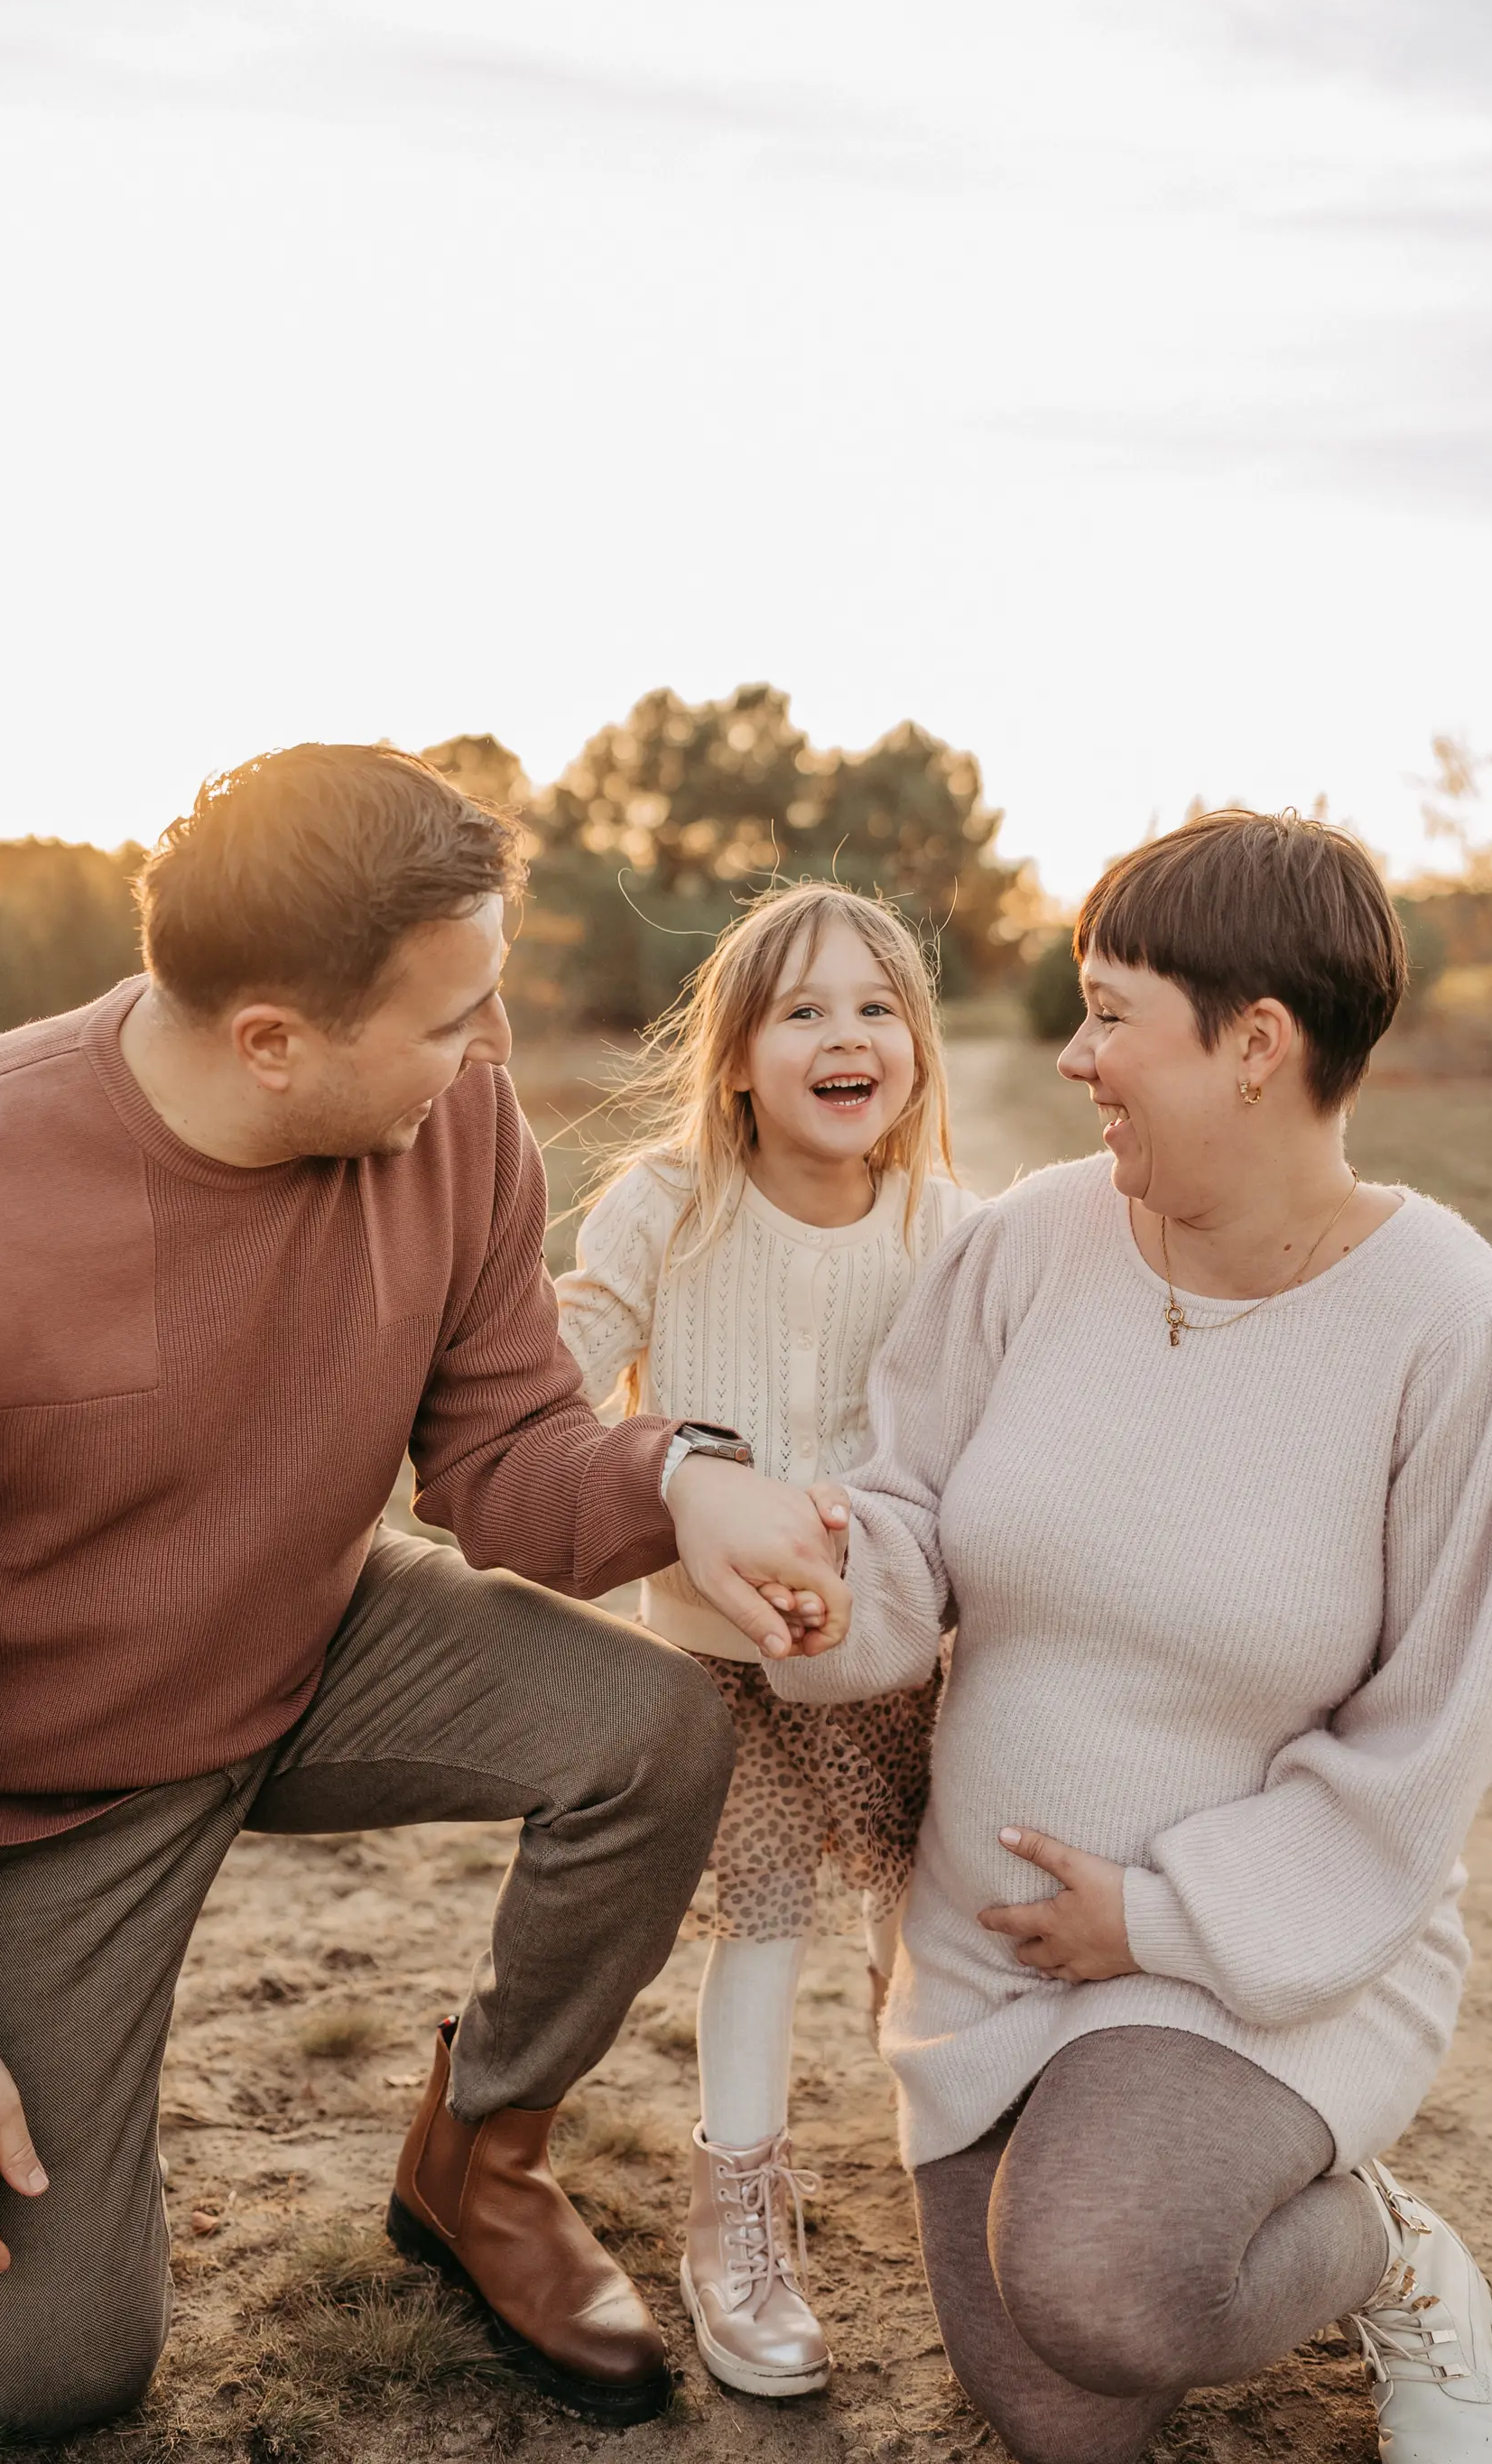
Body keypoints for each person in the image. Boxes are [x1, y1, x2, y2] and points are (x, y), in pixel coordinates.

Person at [0, 743, 855, 2439]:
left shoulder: (456, 1133)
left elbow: (504, 1451)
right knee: (62, 2383)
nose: (497, 1054)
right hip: (36, 1792)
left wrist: (681, 1479)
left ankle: (480, 2157)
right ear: (273, 1041)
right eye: (455, 1019)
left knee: (651, 1725)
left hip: (310, 1638)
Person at [766, 811, 1492, 2464]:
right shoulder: (1028, 1244)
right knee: (1062, 2410)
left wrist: (1168, 1919)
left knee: (1106, 2290)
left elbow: (1429, 1741)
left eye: (1114, 1012)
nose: (1075, 1056)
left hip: (1265, 1960)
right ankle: (1107, 2166)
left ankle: (1394, 2254)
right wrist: (834, 1585)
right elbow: (904, 1515)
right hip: (991, 1945)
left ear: (1255, 1043)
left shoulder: (1457, 1331)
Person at [557, 884, 974, 2399]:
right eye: (802, 1010)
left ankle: (971, 2153)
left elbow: (981, 1432)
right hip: (718, 1656)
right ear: (736, 1055)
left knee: (930, 1915)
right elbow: (560, 1371)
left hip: (892, 1651)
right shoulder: (666, 1203)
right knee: (767, 1917)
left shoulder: (951, 1229)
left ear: (914, 1056)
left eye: (876, 1009)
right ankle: (734, 2214)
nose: (844, 1035)